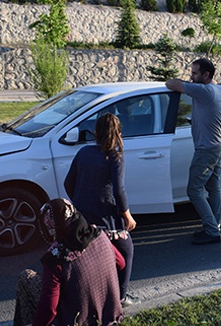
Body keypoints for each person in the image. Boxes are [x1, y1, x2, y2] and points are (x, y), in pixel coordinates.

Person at [13, 198, 125, 326]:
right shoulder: (98, 234)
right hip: (111, 318)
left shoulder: (56, 257)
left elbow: (50, 307)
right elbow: (121, 263)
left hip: (77, 321)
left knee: (26, 277)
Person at [64, 113, 137, 307]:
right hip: (106, 220)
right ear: (119, 133)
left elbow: (68, 182)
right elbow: (118, 190)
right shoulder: (115, 157)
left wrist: (79, 201)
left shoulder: (83, 152)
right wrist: (127, 215)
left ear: (96, 132)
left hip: (82, 216)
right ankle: (120, 297)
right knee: (127, 250)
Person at [166, 58, 221, 245]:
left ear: (206, 75)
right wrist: (207, 121)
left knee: (194, 190)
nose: (191, 76)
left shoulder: (203, 90)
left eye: (194, 73)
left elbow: (170, 83)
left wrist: (185, 83)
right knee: (213, 187)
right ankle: (214, 225)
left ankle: (211, 231)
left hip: (206, 149)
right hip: (218, 145)